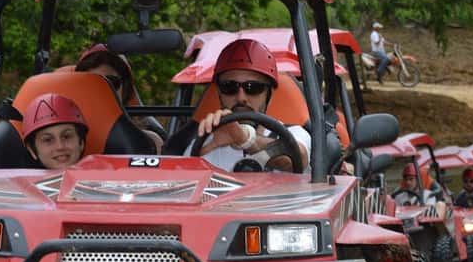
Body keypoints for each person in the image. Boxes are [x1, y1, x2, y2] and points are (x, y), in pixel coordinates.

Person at [193, 38, 310, 172]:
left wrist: (244, 138)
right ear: (219, 93)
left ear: (269, 95)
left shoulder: (295, 134)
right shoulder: (203, 144)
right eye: (230, 87)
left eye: (253, 87)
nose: (241, 97)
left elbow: (297, 158)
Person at [76, 43, 164, 152]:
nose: (102, 91)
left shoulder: (150, 141)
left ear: (125, 88)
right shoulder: (63, 137)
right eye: (92, 84)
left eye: (111, 82)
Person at [22, 93, 88, 169]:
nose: (60, 146)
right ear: (32, 150)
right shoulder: (15, 180)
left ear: (81, 142)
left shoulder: (102, 175)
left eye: (66, 137)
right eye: (48, 140)